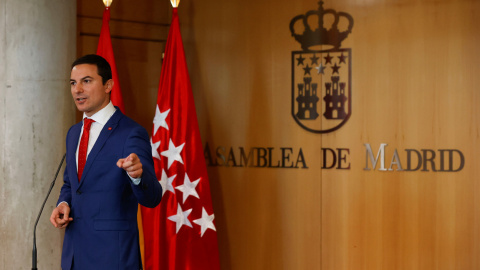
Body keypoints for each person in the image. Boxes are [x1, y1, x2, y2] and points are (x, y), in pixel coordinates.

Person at [50, 54, 162, 270]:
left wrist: (137, 176)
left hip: (113, 258)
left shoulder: (131, 133)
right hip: (74, 256)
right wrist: (63, 203)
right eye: (73, 83)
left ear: (108, 85)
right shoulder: (74, 133)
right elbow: (71, 185)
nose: (77, 89)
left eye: (87, 81)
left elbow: (153, 197)